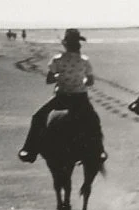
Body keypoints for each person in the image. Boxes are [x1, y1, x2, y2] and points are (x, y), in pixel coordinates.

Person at [18, 29, 106, 163]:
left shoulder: (57, 59)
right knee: (94, 120)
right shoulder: (84, 60)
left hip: (62, 97)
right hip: (80, 98)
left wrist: (59, 76)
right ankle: (99, 151)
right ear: (79, 44)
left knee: (37, 117)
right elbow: (90, 81)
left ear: (65, 44)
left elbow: (49, 80)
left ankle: (30, 150)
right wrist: (81, 80)